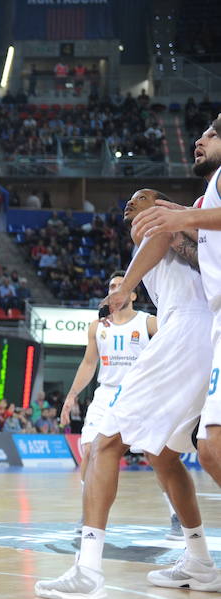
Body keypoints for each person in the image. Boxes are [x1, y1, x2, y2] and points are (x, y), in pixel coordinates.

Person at [35, 189, 221, 598]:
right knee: (166, 455)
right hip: (210, 336)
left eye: (141, 197)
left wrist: (126, 286)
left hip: (184, 333)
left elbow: (159, 232)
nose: (130, 203)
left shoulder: (158, 224)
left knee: (103, 445)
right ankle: (201, 562)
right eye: (130, 201)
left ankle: (87, 570)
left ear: (160, 201)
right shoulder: (196, 232)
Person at [130, 115, 221, 490]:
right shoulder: (207, 197)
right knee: (210, 449)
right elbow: (195, 251)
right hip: (215, 321)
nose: (201, 139)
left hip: (197, 325)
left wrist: (178, 216)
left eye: (213, 134)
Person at [59, 272, 178, 536]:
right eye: (111, 286)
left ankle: (176, 513)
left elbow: (173, 347)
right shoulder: (98, 327)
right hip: (106, 394)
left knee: (156, 456)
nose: (114, 290)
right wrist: (71, 396)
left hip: (141, 394)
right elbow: (89, 364)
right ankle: (88, 513)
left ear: (133, 294)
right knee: (90, 451)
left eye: (120, 286)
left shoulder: (149, 323)